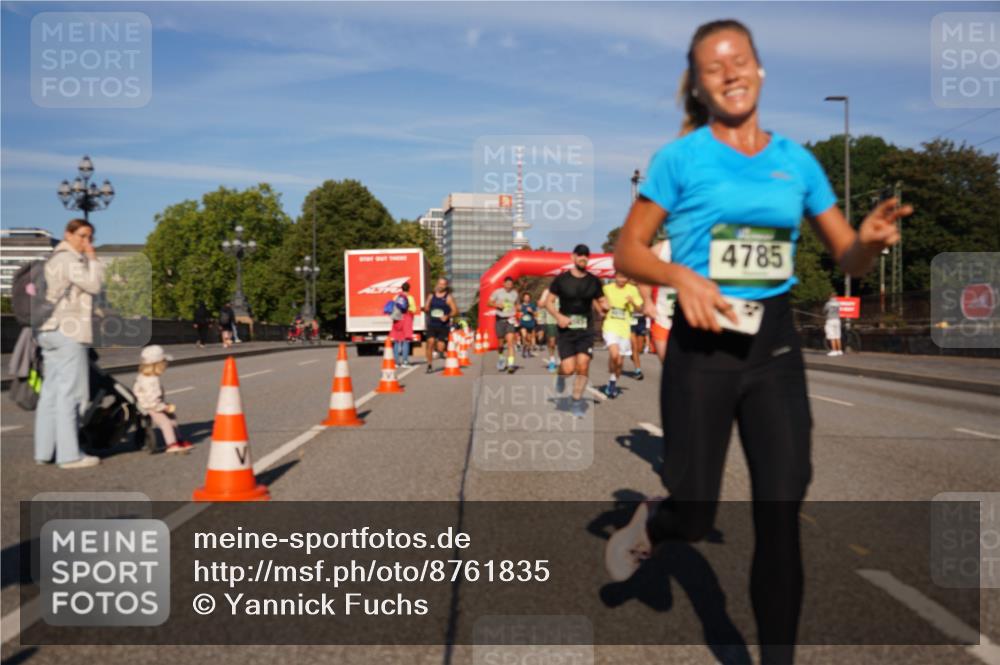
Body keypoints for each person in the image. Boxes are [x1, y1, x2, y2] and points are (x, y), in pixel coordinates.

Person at [608, 20, 909, 665]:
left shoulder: (795, 160)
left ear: (760, 70)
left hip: (772, 351)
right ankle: (655, 524)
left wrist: (871, 241)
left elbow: (847, 257)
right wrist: (679, 275)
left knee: (781, 512)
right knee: (694, 513)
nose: (731, 74)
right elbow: (627, 251)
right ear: (701, 84)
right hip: (702, 350)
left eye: (740, 61)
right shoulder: (679, 159)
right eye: (714, 67)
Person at [34, 219, 104, 469]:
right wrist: (93, 259)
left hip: (48, 330)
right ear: (68, 234)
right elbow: (94, 285)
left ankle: (44, 451)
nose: (86, 242)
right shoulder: (69, 260)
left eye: (90, 238)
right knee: (72, 395)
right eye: (83, 236)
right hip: (68, 332)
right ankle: (69, 455)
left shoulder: (53, 259)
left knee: (51, 394)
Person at [545, 244, 607, 418]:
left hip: (585, 329)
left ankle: (577, 400)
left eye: (586, 255)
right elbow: (549, 302)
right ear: (573, 257)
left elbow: (602, 300)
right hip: (566, 330)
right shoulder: (561, 280)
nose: (583, 258)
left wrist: (606, 306)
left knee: (583, 364)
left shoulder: (593, 281)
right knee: (568, 368)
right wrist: (559, 317)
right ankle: (560, 376)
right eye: (580, 255)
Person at [133, 345, 193, 454]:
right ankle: (171, 444)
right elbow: (152, 400)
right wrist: (164, 407)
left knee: (172, 418)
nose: (166, 365)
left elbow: (137, 390)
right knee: (165, 423)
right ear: (158, 365)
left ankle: (178, 440)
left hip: (152, 403)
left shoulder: (143, 376)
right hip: (151, 406)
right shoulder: (151, 381)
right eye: (164, 363)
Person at [601, 272, 643, 398]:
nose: (622, 280)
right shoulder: (607, 288)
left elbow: (640, 308)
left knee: (619, 362)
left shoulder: (633, 289)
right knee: (615, 355)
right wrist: (601, 307)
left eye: (625, 277)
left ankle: (612, 383)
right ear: (615, 277)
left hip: (625, 328)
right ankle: (612, 365)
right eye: (620, 277)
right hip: (610, 325)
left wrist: (633, 302)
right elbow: (597, 300)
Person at [638, 239, 677, 363]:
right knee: (670, 366)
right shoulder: (660, 250)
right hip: (663, 317)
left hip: (695, 319)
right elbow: (643, 277)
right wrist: (647, 301)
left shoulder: (704, 244)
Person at [423, 277, 459, 373]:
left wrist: (447, 316)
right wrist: (425, 309)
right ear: (437, 284)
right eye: (439, 283)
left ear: (446, 286)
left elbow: (455, 311)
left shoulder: (448, 297)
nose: (441, 286)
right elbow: (426, 307)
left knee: (440, 348)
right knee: (430, 343)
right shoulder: (431, 296)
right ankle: (429, 365)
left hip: (443, 325)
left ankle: (446, 348)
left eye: (443, 284)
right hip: (432, 324)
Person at [487, 276, 519, 373]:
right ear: (503, 284)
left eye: (511, 284)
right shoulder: (497, 292)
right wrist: (497, 305)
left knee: (510, 343)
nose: (509, 285)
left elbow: (517, 305)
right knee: (500, 344)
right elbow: (488, 303)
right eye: (507, 283)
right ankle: (501, 358)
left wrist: (519, 311)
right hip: (500, 319)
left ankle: (510, 364)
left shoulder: (515, 294)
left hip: (510, 320)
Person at [390, 281, 417, 367]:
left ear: (401, 288)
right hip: (407, 319)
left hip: (397, 320)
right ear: (409, 289)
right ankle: (405, 361)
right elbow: (413, 309)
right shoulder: (410, 298)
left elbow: (392, 308)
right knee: (406, 341)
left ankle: (396, 362)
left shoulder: (396, 297)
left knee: (397, 341)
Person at [628, 279, 650, 379]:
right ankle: (638, 370)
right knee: (635, 346)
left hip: (641, 320)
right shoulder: (626, 289)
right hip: (630, 320)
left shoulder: (643, 289)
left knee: (640, 348)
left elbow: (644, 307)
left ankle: (634, 356)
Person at [538, 287, 560, 373]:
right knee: (552, 342)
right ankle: (552, 360)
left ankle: (563, 360)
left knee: (564, 342)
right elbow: (540, 304)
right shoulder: (547, 291)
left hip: (563, 319)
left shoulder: (567, 289)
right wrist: (549, 301)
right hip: (550, 320)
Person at [517, 292, 538, 359]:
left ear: (530, 298)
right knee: (524, 336)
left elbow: (536, 314)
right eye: (525, 297)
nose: (527, 299)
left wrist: (531, 311)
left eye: (528, 298)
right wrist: (519, 314)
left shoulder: (532, 305)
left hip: (530, 324)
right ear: (523, 298)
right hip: (523, 323)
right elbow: (517, 314)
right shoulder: (520, 306)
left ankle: (527, 351)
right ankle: (524, 349)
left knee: (529, 339)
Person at [824, 292, 843, 356]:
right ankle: (839, 350)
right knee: (838, 336)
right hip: (837, 320)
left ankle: (834, 351)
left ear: (830, 297)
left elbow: (824, 311)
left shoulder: (828, 304)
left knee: (832, 336)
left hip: (830, 320)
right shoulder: (838, 303)